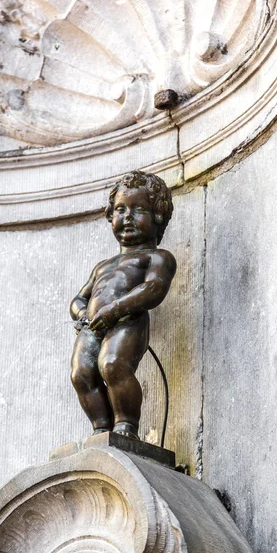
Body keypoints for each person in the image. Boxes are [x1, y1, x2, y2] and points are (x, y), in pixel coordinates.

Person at [70, 170, 176, 440]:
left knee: (113, 364)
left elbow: (153, 289)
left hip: (127, 321)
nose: (127, 217)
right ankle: (101, 429)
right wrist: (82, 313)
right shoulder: (102, 266)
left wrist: (115, 310)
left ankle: (126, 425)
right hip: (92, 326)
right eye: (120, 209)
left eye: (138, 209)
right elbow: (80, 298)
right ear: (110, 216)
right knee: (81, 373)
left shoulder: (157, 257)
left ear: (158, 216)